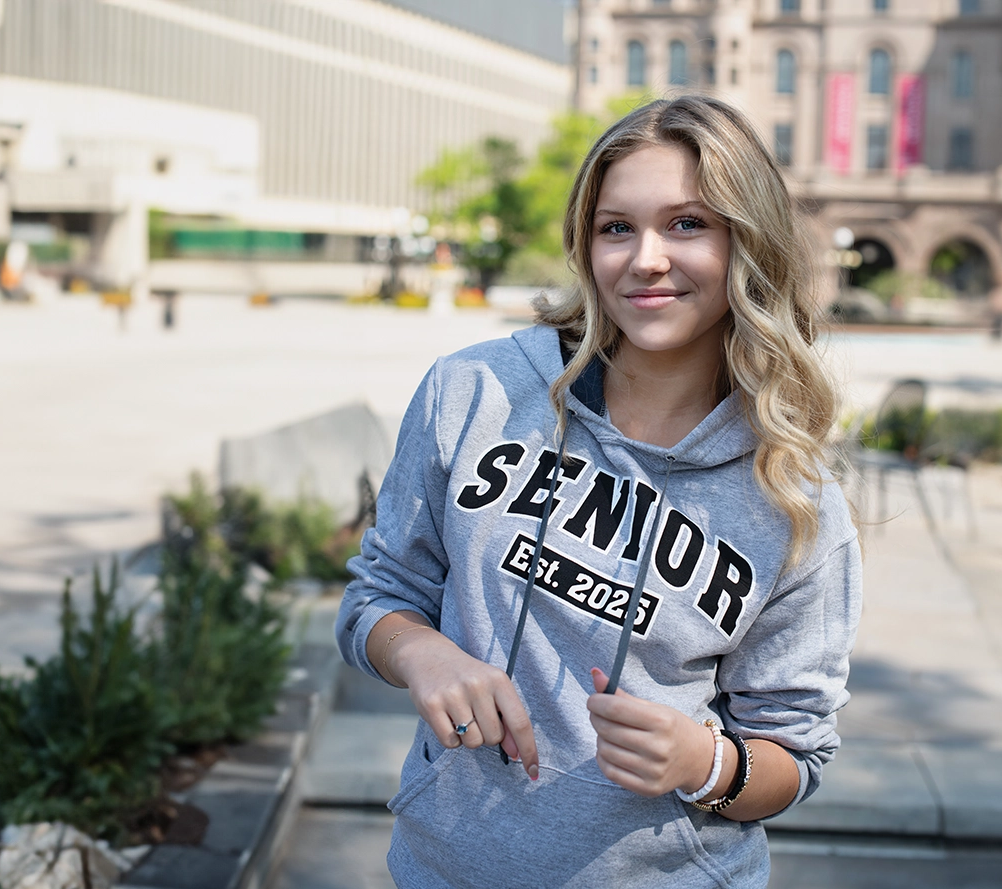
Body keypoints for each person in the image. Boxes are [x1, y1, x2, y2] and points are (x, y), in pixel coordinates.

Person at [336, 95, 863, 888]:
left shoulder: (795, 498)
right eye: (617, 227)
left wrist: (707, 762)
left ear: (747, 243)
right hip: (443, 868)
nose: (645, 258)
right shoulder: (475, 390)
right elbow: (376, 596)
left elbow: (793, 753)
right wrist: (423, 651)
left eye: (688, 223)